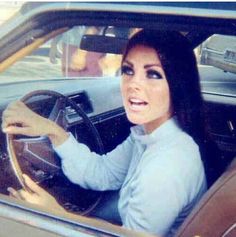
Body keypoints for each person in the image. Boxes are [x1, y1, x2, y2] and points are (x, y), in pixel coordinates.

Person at [2, 29, 207, 237]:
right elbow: (104, 172)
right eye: (128, 70)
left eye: (153, 74)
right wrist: (53, 130)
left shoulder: (167, 166)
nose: (134, 84)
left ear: (177, 84)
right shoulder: (151, 134)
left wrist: (56, 215)